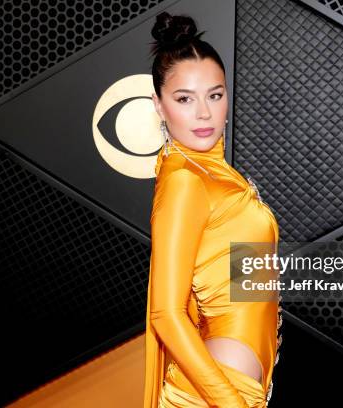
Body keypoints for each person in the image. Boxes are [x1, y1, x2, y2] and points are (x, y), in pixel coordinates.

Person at [144, 11, 282, 408]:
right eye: (184, 98)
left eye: (215, 95)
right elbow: (166, 314)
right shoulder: (184, 180)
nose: (204, 113)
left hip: (237, 385)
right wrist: (230, 403)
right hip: (212, 395)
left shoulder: (217, 174)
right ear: (158, 104)